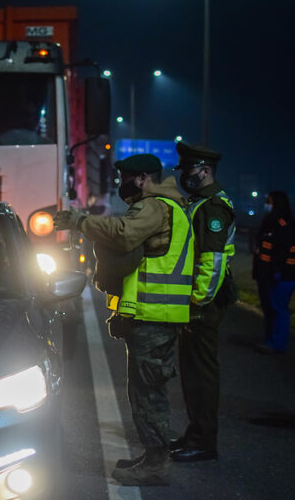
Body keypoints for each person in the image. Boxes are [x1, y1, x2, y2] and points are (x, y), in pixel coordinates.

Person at [55, 154, 193, 486]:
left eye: (126, 178)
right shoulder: (167, 206)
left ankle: (156, 465)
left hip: (156, 315)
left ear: (144, 178)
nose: (121, 185)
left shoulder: (155, 206)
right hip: (153, 313)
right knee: (146, 389)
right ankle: (152, 455)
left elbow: (122, 234)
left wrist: (79, 221)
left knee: (148, 393)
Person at [170, 141, 236, 463]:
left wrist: (196, 305)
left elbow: (211, 262)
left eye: (190, 170)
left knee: (201, 377)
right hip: (198, 305)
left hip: (204, 308)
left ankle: (204, 442)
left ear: (205, 170)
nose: (185, 176)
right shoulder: (201, 202)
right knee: (193, 374)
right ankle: (195, 432)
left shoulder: (212, 208)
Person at [252, 191, 295, 354]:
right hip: (267, 275)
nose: (266, 204)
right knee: (270, 308)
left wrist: (276, 272)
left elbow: (282, 252)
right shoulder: (270, 221)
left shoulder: (284, 223)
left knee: (279, 308)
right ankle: (270, 339)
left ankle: (277, 343)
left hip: (282, 276)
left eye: (269, 201)